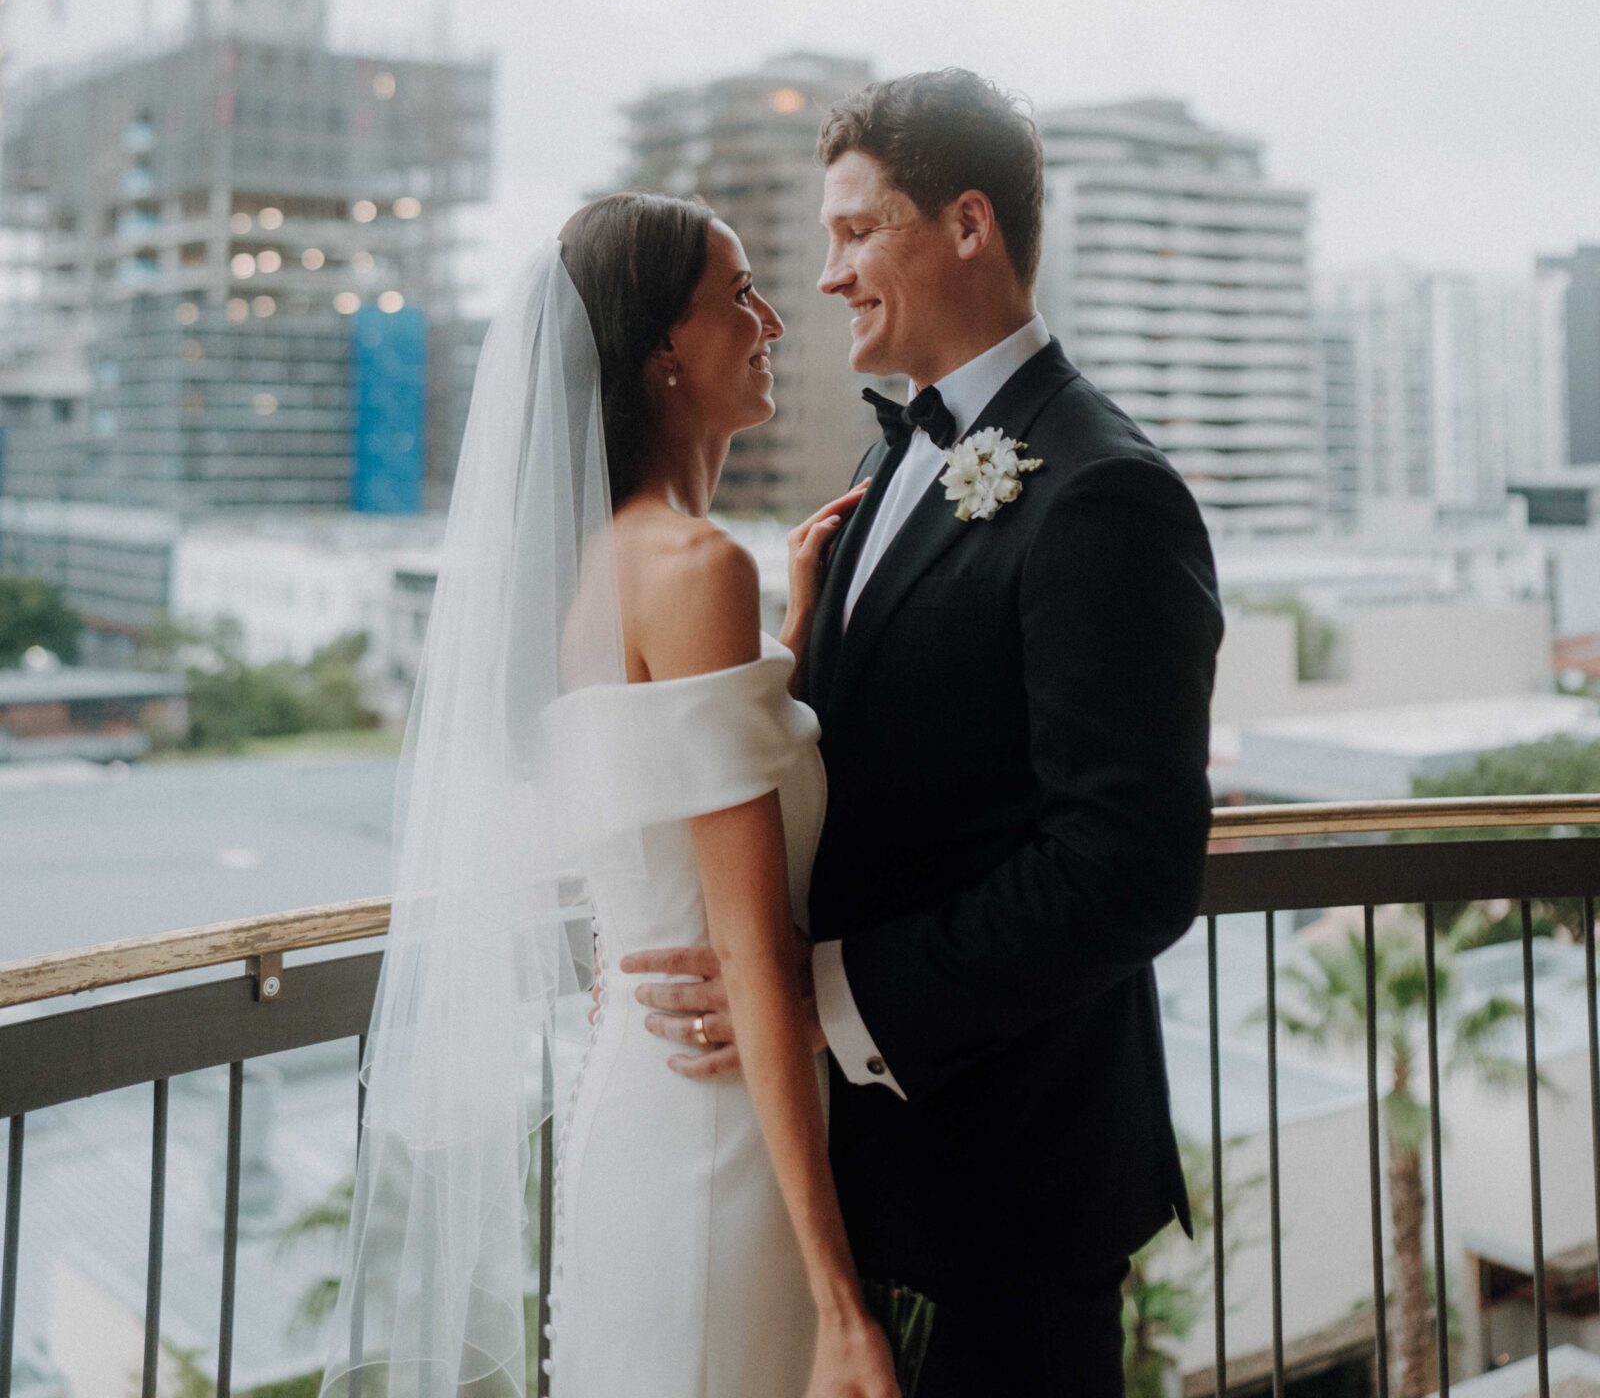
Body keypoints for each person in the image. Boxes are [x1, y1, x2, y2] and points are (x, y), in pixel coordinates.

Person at [625, 69, 1224, 1397]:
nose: (825, 276)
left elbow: (1123, 872)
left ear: (967, 225)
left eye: (854, 232)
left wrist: (811, 993)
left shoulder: (1106, 493)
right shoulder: (877, 463)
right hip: (849, 1189)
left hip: (1003, 1202)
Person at [317, 193, 897, 1398]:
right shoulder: (691, 568)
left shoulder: (595, 576)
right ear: (659, 356)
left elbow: (665, 820)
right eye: (738, 295)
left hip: (639, 1091)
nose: (775, 318)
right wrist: (842, 1305)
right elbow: (746, 951)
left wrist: (791, 635)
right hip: (718, 1131)